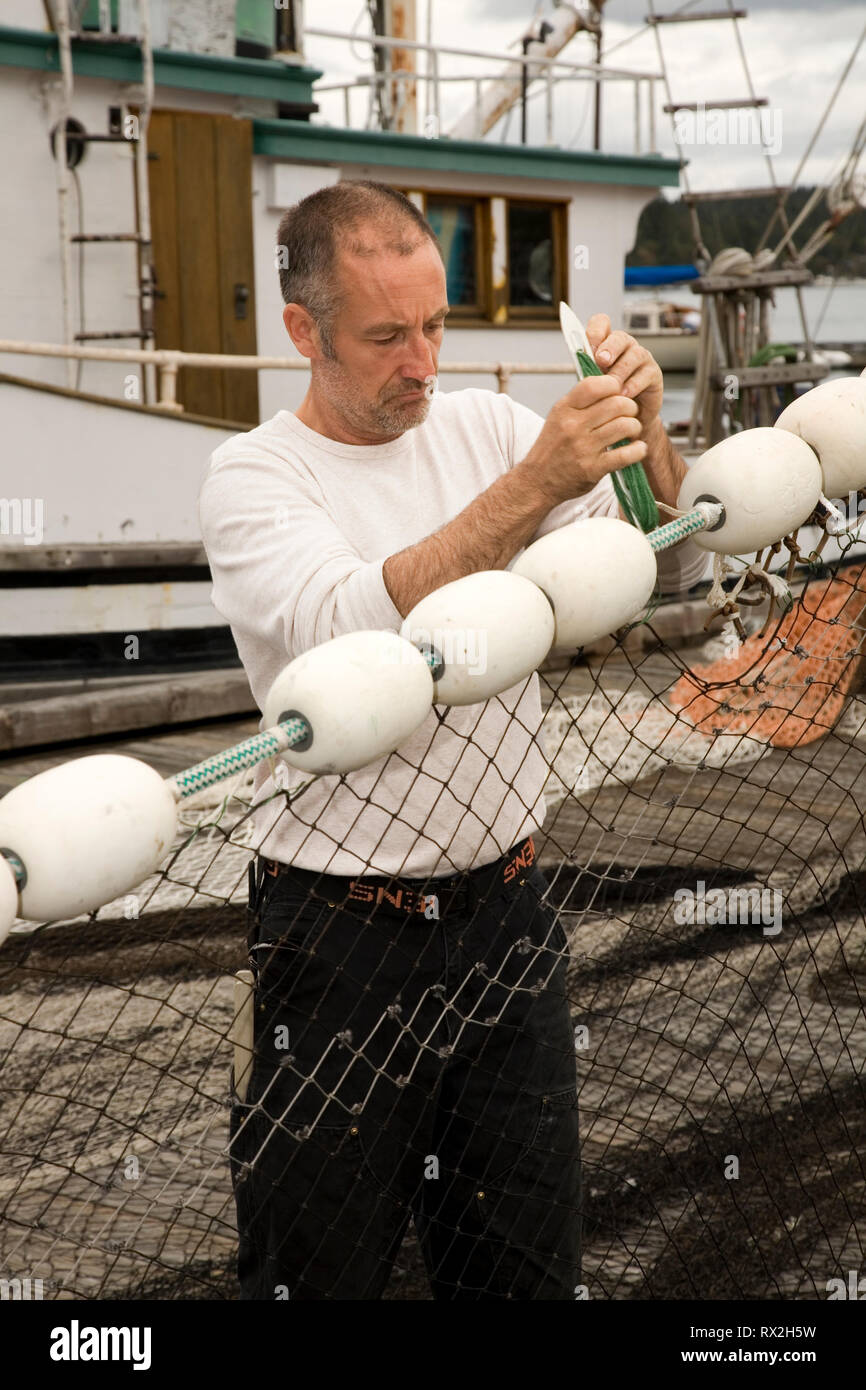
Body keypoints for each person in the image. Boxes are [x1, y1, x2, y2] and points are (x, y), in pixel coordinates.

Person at [198, 180, 707, 1301]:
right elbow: (355, 631)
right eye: (386, 336)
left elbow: (661, 559)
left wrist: (643, 439)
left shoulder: (480, 421)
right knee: (313, 1271)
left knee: (521, 1269)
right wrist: (534, 484)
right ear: (302, 332)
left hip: (507, 925)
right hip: (334, 945)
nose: (422, 362)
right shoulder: (254, 475)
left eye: (434, 326)